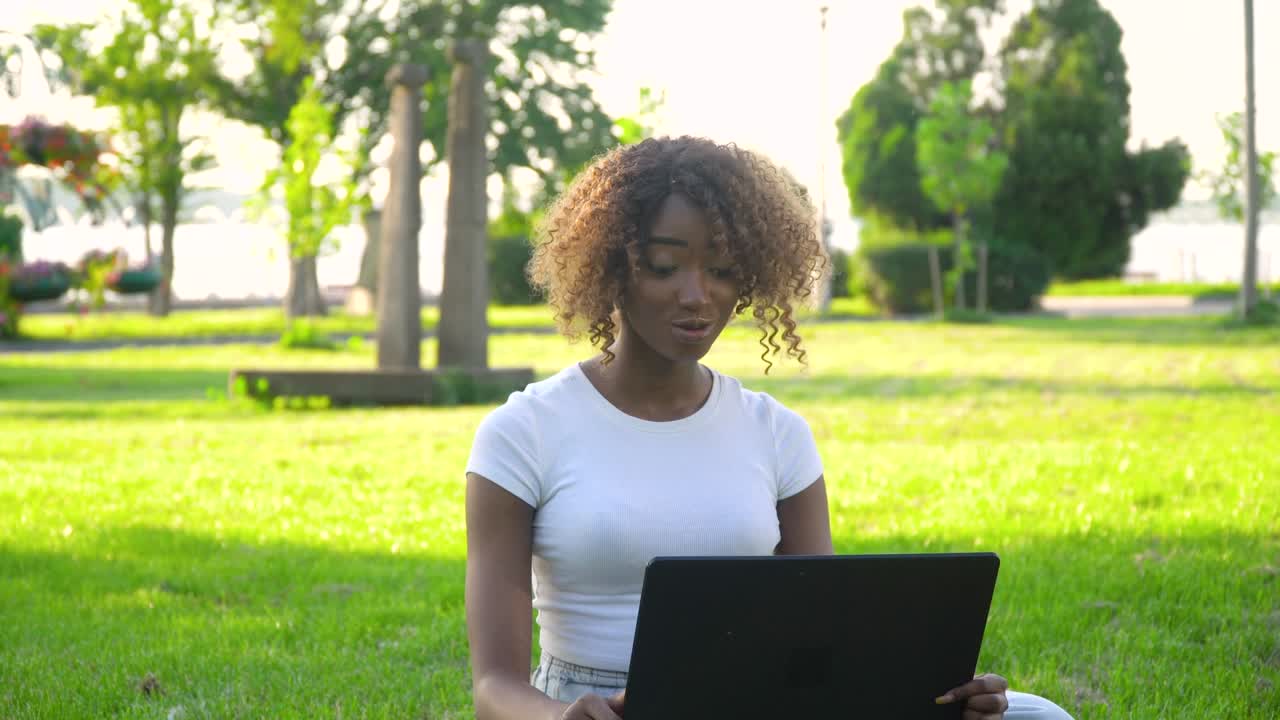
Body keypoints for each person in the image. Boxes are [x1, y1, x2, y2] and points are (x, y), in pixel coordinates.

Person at [464, 136, 1073, 720]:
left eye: (724, 270)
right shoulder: (524, 432)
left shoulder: (778, 434)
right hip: (586, 703)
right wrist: (554, 717)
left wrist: (946, 700)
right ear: (614, 267)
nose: (697, 295)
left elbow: (823, 645)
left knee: (1039, 716)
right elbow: (495, 688)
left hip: (750, 702)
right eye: (665, 265)